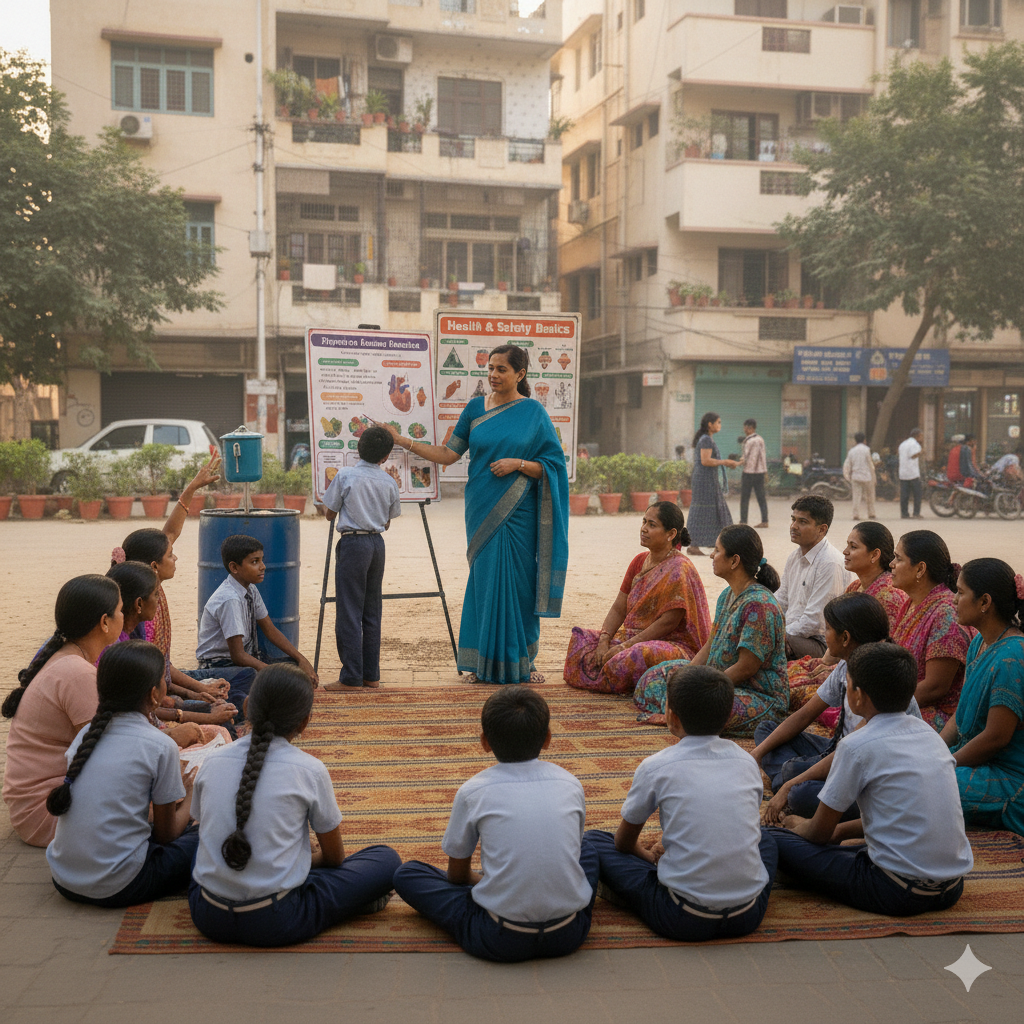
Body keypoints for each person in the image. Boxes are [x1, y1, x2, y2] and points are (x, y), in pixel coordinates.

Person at [382, 345, 568, 685]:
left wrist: (519, 464)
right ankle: (481, 661)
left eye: (501, 370)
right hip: (482, 506)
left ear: (520, 375)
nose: (493, 375)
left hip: (519, 512)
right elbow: (448, 454)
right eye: (490, 368)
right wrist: (401, 441)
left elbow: (554, 466)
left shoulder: (534, 413)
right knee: (485, 581)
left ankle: (522, 661)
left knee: (520, 583)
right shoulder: (474, 408)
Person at [189, 664, 400, 946]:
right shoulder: (310, 770)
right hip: (275, 920)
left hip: (207, 914)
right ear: (304, 722)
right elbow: (335, 858)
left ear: (247, 706)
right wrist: (296, 856)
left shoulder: (213, 761)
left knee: (201, 842)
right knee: (386, 860)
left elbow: (202, 829)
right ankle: (350, 903)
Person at [392, 687, 598, 962]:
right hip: (569, 933)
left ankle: (504, 889)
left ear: (484, 742)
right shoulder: (571, 784)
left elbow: (457, 876)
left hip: (498, 938)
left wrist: (492, 881)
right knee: (592, 848)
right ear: (548, 739)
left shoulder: (473, 790)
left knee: (408, 874)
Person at [770, 642, 973, 917]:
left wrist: (798, 825)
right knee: (842, 849)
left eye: (849, 685)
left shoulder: (856, 746)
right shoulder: (930, 738)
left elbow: (818, 833)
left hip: (894, 892)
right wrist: (840, 833)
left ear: (857, 695)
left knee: (769, 838)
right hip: (951, 888)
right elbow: (900, 815)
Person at [586, 665, 777, 941]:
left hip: (683, 917)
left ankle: (638, 891)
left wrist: (650, 858)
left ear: (672, 717)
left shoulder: (656, 766)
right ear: (727, 719)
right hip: (748, 915)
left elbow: (623, 843)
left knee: (594, 840)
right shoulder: (747, 762)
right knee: (767, 840)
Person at [45, 642, 199, 907]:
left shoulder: (85, 736)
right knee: (204, 834)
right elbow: (167, 835)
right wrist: (192, 795)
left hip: (64, 879)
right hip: (119, 885)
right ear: (154, 695)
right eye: (165, 681)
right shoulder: (159, 745)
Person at [754, 594, 923, 823]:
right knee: (766, 731)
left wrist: (792, 784)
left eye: (828, 629)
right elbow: (805, 714)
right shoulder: (846, 664)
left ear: (845, 637)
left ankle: (789, 783)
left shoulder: (879, 675)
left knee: (798, 790)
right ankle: (791, 779)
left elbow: (853, 752)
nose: (825, 635)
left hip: (867, 772)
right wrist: (756, 754)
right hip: (841, 749)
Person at [2, 575, 123, 847]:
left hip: (37, 805)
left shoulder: (68, 659)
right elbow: (106, 754)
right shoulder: (76, 673)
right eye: (121, 610)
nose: (124, 616)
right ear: (105, 622)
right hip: (47, 811)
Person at [633, 525, 787, 735]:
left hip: (756, 695)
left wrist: (702, 688)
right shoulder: (727, 595)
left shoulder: (759, 605)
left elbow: (746, 667)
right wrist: (685, 680)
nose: (712, 556)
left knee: (700, 706)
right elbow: (710, 645)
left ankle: (679, 714)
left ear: (734, 561)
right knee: (654, 678)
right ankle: (679, 711)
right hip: (715, 680)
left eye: (717, 550)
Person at [563, 502, 710, 694]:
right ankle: (619, 676)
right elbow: (618, 608)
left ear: (671, 534)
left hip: (671, 644)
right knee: (580, 640)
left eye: (652, 524)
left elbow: (668, 622)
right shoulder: (639, 561)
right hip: (633, 636)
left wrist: (625, 646)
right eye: (643, 522)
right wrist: (604, 641)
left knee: (638, 655)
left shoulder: (679, 569)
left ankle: (626, 679)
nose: (644, 529)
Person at [119, 528, 255, 714]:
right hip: (159, 696)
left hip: (166, 684)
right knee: (223, 707)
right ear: (154, 566)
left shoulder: (150, 594)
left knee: (244, 677)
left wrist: (196, 691)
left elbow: (164, 668)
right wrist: (198, 691)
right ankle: (241, 705)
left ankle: (239, 702)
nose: (175, 559)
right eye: (170, 555)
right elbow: (152, 691)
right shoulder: (143, 615)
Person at [106, 560, 238, 738]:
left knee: (227, 701)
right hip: (156, 711)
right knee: (222, 721)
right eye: (155, 595)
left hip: (159, 703)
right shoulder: (124, 649)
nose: (159, 601)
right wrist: (201, 709)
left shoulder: (137, 631)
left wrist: (196, 692)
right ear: (139, 604)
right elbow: (149, 705)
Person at [785, 521, 904, 715]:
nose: (845, 552)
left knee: (793, 691)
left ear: (875, 555)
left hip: (864, 675)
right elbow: (837, 642)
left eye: (853, 547)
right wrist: (819, 666)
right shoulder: (854, 587)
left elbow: (881, 653)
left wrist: (827, 671)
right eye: (847, 545)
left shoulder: (889, 596)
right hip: (841, 663)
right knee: (786, 674)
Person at [943, 559, 1024, 835]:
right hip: (974, 759)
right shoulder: (980, 641)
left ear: (985, 601)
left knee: (921, 786)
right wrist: (935, 751)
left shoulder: (1012, 657)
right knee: (908, 766)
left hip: (1008, 776)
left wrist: (946, 763)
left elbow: (996, 738)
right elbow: (960, 711)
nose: (954, 600)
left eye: (961, 592)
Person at [319, 426, 402, 691]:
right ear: (385, 456)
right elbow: (388, 522)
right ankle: (371, 675)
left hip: (353, 544)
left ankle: (352, 677)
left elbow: (329, 514)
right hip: (377, 545)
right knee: (371, 610)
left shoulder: (345, 475)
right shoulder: (389, 481)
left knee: (349, 611)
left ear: (358, 448)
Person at [195, 534, 318, 683]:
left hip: (242, 663)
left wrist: (301, 659)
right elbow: (238, 656)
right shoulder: (229, 599)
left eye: (262, 560)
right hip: (218, 667)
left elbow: (270, 629)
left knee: (294, 669)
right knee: (278, 680)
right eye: (255, 562)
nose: (263, 566)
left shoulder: (250, 589)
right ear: (234, 567)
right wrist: (271, 673)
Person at [889, 530, 969, 730]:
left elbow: (935, 687)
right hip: (902, 702)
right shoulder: (911, 603)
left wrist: (884, 708)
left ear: (920, 568)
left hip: (934, 715)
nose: (891, 564)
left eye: (898, 558)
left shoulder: (946, 614)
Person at [775, 495, 854, 659]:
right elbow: (781, 600)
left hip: (823, 646)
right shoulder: (794, 557)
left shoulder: (829, 563)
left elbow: (813, 623)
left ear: (822, 529)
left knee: (765, 640)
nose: (794, 526)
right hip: (795, 634)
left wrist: (775, 633)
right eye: (793, 519)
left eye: (802, 522)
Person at [686, 412, 739, 555]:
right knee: (702, 510)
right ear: (710, 424)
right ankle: (696, 545)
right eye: (718, 422)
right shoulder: (706, 440)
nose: (720, 425)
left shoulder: (707, 439)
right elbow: (705, 460)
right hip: (704, 480)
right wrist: (725, 462)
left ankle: (715, 546)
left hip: (707, 479)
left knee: (711, 511)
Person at [738, 418, 769, 529]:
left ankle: (743, 520)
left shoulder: (749, 441)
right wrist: (765, 472)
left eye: (745, 427)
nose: (744, 429)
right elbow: (762, 457)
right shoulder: (760, 439)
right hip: (759, 473)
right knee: (761, 497)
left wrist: (738, 462)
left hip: (749, 472)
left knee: (745, 497)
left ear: (749, 428)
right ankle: (765, 521)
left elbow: (747, 457)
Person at [843, 432, 876, 520]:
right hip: (867, 477)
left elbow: (847, 464)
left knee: (856, 496)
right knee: (870, 496)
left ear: (855, 440)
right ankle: (871, 513)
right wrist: (874, 477)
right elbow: (870, 464)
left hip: (855, 476)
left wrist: (846, 475)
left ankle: (856, 514)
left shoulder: (852, 451)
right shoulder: (867, 450)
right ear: (864, 440)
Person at [897, 426, 924, 519]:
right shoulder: (915, 444)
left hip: (903, 473)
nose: (922, 438)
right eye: (921, 436)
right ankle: (916, 513)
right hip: (913, 473)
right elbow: (913, 455)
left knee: (904, 494)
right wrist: (921, 452)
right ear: (918, 436)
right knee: (917, 494)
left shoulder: (903, 444)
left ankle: (904, 513)